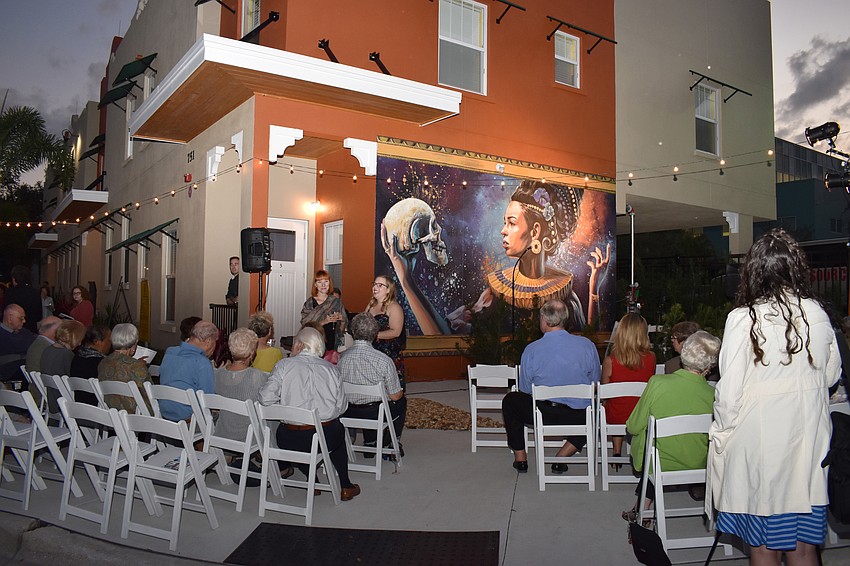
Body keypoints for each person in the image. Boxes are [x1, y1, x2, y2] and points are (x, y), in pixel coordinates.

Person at [709, 229, 840, 565]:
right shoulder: (817, 313)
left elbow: (728, 393)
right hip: (808, 445)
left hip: (761, 447)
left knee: (764, 546)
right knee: (804, 548)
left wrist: (721, 434)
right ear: (796, 269)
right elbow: (831, 376)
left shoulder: (742, 319)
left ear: (753, 272)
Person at [382, 180, 611, 335]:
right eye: (504, 222)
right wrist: (406, 282)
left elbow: (587, 337)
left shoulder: (564, 292)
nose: (503, 231)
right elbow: (441, 335)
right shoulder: (496, 292)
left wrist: (593, 289)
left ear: (535, 232)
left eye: (511, 223)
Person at [622, 330, 718, 521]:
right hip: (700, 462)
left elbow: (633, 426)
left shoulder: (658, 383)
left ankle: (642, 507)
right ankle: (642, 506)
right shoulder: (714, 394)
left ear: (684, 354)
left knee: (651, 446)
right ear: (710, 365)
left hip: (660, 463)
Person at [258, 326, 361, 501]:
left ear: (299, 345)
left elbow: (265, 398)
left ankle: (313, 481)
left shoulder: (284, 365)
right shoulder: (331, 369)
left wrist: (284, 403)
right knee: (337, 428)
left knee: (299, 433)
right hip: (324, 437)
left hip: (289, 439)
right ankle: (345, 485)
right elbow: (342, 407)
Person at [501, 299, 601, 473]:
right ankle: (562, 456)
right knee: (594, 412)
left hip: (542, 413)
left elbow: (525, 388)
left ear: (544, 320)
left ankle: (521, 458)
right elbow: (595, 382)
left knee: (511, 401)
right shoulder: (587, 346)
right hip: (577, 415)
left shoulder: (532, 349)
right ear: (565, 319)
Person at [339, 313, 406, 455]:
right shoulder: (383, 360)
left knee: (367, 402)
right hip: (375, 414)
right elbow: (395, 396)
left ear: (353, 332)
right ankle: (391, 443)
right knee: (401, 401)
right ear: (375, 334)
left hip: (347, 411)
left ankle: (370, 442)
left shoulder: (341, 358)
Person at [601, 313, 656, 460]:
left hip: (616, 416)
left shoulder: (610, 361)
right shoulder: (651, 358)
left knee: (614, 403)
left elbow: (605, 393)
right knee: (633, 403)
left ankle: (616, 450)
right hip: (641, 415)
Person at [214, 328, 267, 443]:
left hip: (222, 434)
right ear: (252, 353)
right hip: (248, 437)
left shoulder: (218, 374)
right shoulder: (257, 376)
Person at [158, 320, 218, 421]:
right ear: (208, 341)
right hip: (189, 420)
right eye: (215, 342)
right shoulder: (202, 363)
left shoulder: (170, 352)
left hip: (165, 414)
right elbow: (208, 399)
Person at [98, 323, 152, 414]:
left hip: (112, 413)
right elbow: (150, 392)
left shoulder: (103, 363)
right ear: (133, 345)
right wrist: (141, 366)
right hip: (136, 415)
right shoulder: (137, 366)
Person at [366, 275, 406, 389]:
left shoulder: (394, 307)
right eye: (374, 284)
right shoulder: (370, 305)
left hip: (388, 352)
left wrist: (374, 335)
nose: (375, 287)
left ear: (388, 290)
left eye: (380, 285)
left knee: (389, 387)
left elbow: (396, 332)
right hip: (371, 349)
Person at [40, 319, 85, 414]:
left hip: (52, 400)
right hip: (64, 403)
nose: (80, 343)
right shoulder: (66, 354)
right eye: (79, 339)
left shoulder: (47, 350)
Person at [300, 270, 347, 357]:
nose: (323, 285)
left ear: (329, 283)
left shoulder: (335, 302)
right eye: (319, 282)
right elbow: (305, 325)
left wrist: (342, 319)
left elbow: (341, 330)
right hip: (313, 342)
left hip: (331, 343)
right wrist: (324, 321)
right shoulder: (309, 303)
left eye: (326, 281)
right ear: (315, 284)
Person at [0, 304, 36, 382]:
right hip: (10, 373)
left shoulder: (25, 332)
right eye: (21, 318)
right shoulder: (2, 335)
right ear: (10, 318)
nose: (24, 321)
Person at [5, 266, 42, 333]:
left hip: (14, 330)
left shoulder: (10, 293)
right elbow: (39, 315)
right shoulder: (35, 293)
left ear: (14, 279)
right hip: (31, 330)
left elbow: (6, 313)